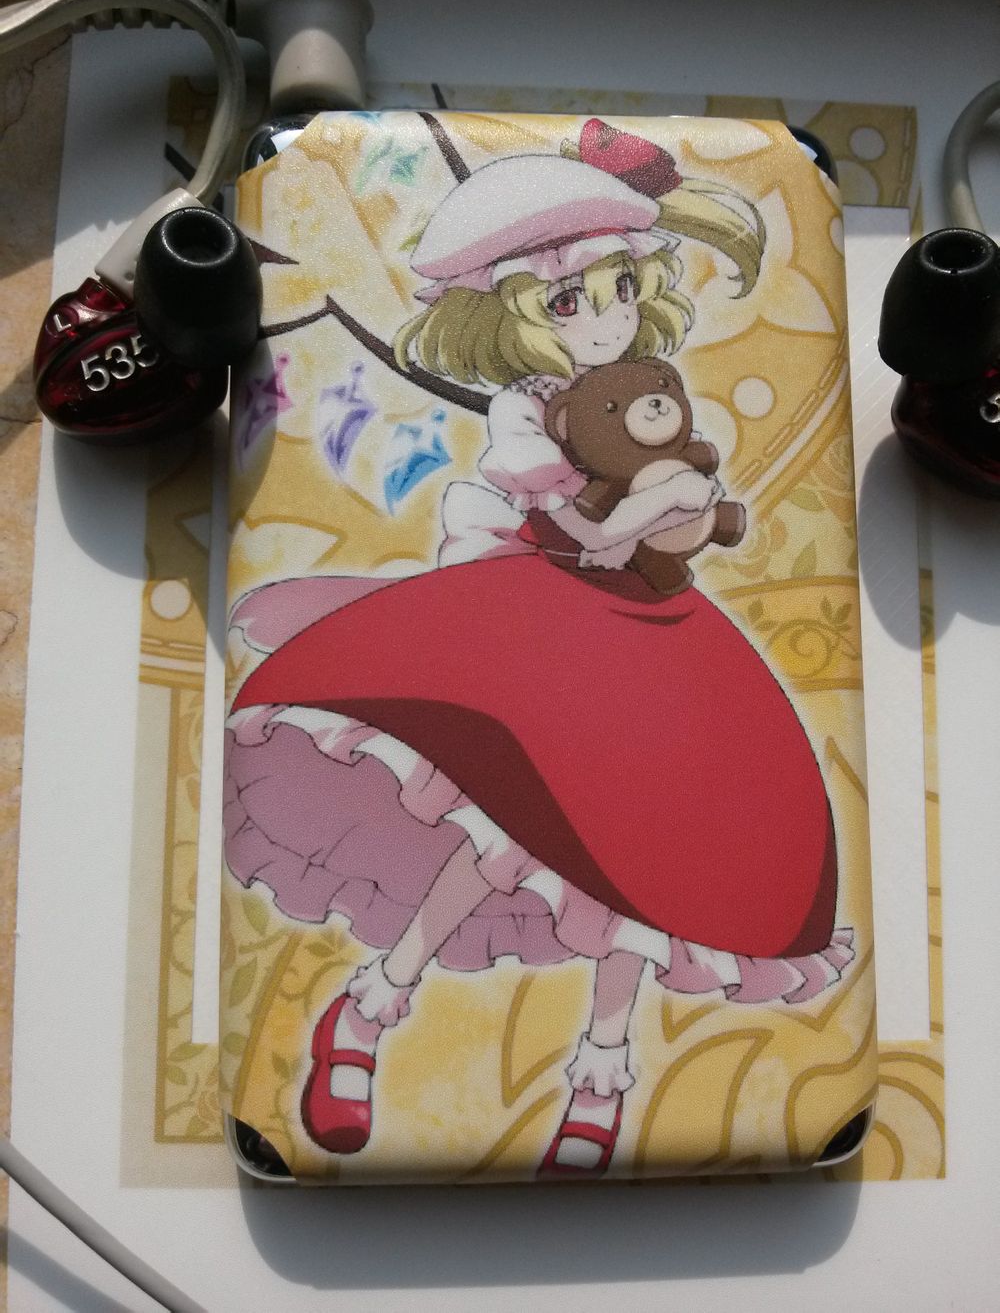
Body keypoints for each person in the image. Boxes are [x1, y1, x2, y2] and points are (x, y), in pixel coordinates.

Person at [225, 119, 852, 1178]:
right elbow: (573, 524)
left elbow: (676, 523)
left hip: (651, 634)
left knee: (645, 852)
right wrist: (645, 514)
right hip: (541, 614)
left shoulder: (655, 389)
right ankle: (372, 1006)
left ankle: (602, 1070)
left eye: (618, 289)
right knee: (501, 829)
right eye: (567, 301)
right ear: (510, 316)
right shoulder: (527, 411)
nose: (603, 318)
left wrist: (685, 516)